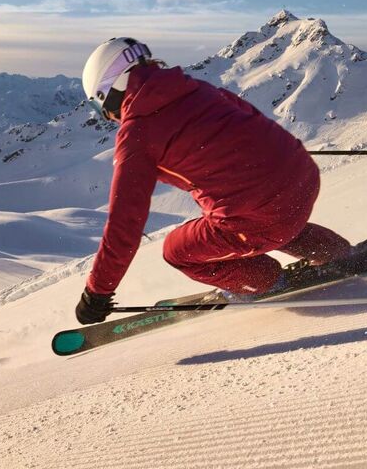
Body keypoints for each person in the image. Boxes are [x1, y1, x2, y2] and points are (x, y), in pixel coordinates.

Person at [75, 37, 352, 325]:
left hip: (266, 215)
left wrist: (97, 292)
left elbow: (125, 222)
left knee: (176, 250)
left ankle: (269, 281)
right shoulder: (195, 88)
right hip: (303, 179)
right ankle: (337, 253)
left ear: (110, 90)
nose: (109, 118)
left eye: (100, 108)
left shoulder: (137, 132)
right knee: (267, 211)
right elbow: (251, 120)